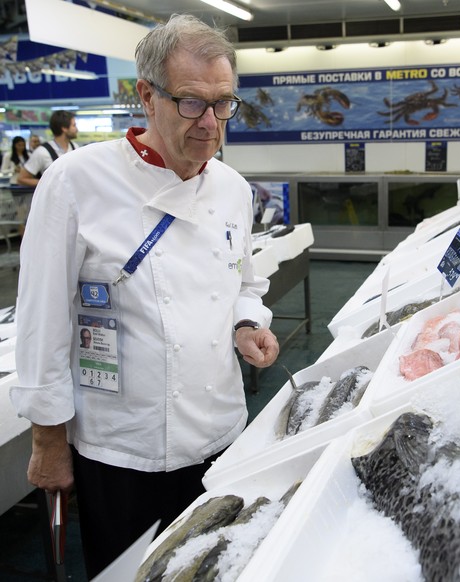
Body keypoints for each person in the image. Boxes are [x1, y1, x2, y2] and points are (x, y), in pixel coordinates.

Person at [10, 14, 280, 579]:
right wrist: (48, 442)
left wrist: (246, 324)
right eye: (190, 102)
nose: (210, 123)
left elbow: (245, 281)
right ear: (146, 96)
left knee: (219, 567)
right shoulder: (77, 182)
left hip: (221, 433)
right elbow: (43, 320)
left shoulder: (231, 187)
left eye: (224, 103)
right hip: (123, 448)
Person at [17, 110, 78, 187]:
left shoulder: (75, 148)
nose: (76, 129)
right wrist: (48, 184)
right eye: (74, 125)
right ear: (64, 128)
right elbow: (22, 179)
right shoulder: (42, 152)